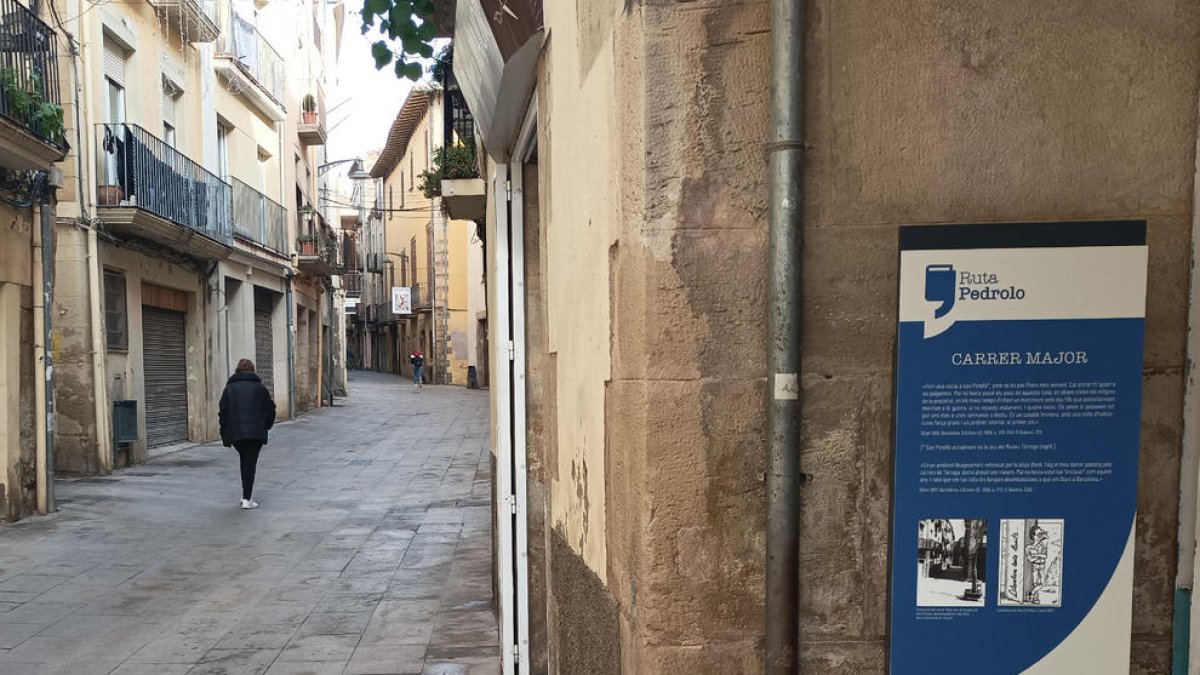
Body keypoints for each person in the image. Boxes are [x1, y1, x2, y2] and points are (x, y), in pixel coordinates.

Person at [218, 358, 276, 509]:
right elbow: (270, 409)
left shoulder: (229, 389)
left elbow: (222, 412)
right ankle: (247, 499)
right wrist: (267, 425)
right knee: (249, 464)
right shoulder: (260, 388)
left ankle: (245, 495)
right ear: (253, 370)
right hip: (255, 433)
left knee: (245, 461)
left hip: (236, 433)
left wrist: (224, 431)